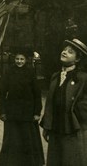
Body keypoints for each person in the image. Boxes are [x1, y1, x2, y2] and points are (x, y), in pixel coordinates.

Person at [40, 38, 87, 166]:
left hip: (73, 129)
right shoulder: (55, 76)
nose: (65, 52)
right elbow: (50, 103)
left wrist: (76, 114)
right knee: (55, 160)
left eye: (70, 52)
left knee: (72, 160)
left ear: (77, 59)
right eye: (64, 50)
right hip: (56, 128)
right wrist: (47, 126)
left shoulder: (83, 78)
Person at [0, 47, 44, 166]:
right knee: (12, 139)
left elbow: (37, 94)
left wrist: (37, 112)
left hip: (28, 112)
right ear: (14, 59)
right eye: (17, 59)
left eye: (22, 59)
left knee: (27, 139)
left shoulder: (30, 72)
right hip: (12, 111)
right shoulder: (8, 72)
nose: (19, 61)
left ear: (26, 60)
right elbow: (2, 94)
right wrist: (2, 112)